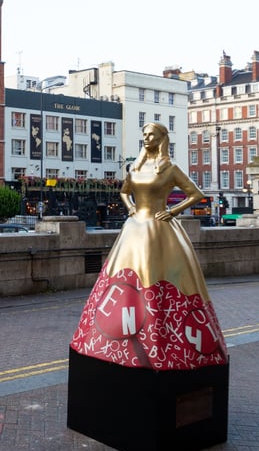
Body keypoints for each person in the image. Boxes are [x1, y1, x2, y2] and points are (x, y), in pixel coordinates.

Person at [72, 122, 228, 369]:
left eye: (151, 134)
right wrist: (131, 206)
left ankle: (162, 336)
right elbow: (124, 191)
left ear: (161, 138)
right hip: (134, 228)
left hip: (159, 228)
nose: (146, 138)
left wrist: (172, 211)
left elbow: (196, 194)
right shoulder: (135, 166)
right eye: (143, 134)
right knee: (125, 279)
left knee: (158, 278)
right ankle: (120, 337)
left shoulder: (169, 168)